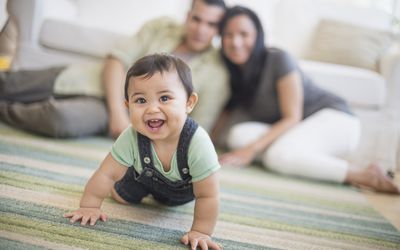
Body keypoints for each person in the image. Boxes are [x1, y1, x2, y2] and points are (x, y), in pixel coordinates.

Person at [214, 6, 399, 194]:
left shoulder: (278, 59)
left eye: (244, 34)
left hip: (335, 119)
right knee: (237, 136)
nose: (236, 42)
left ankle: (365, 175)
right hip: (296, 130)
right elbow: (224, 115)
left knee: (277, 157)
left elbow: (292, 117)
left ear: (257, 35)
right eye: (228, 35)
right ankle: (309, 161)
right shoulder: (234, 72)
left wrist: (251, 150)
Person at [0, 0, 229, 139]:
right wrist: (119, 113)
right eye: (197, 19)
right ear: (188, 17)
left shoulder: (217, 73)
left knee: (59, 120)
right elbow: (116, 61)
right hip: (89, 80)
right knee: (9, 83)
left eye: (211, 24)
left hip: (115, 113)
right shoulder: (161, 27)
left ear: (219, 29)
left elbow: (196, 128)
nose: (201, 29)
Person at [64, 53, 221, 250]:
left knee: (181, 201)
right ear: (128, 106)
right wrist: (90, 206)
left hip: (182, 193)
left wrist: (201, 231)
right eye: (140, 101)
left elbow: (208, 195)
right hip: (140, 178)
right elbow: (106, 173)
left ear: (189, 102)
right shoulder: (131, 136)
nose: (152, 109)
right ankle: (125, 189)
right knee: (120, 196)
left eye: (164, 98)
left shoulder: (197, 142)